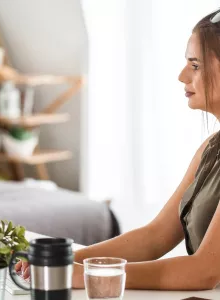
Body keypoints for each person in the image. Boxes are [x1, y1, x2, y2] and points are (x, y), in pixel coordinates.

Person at [16, 9, 220, 291]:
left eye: (195, 65)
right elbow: (156, 236)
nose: (182, 75)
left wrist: (92, 276)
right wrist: (65, 261)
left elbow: (203, 272)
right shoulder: (211, 149)